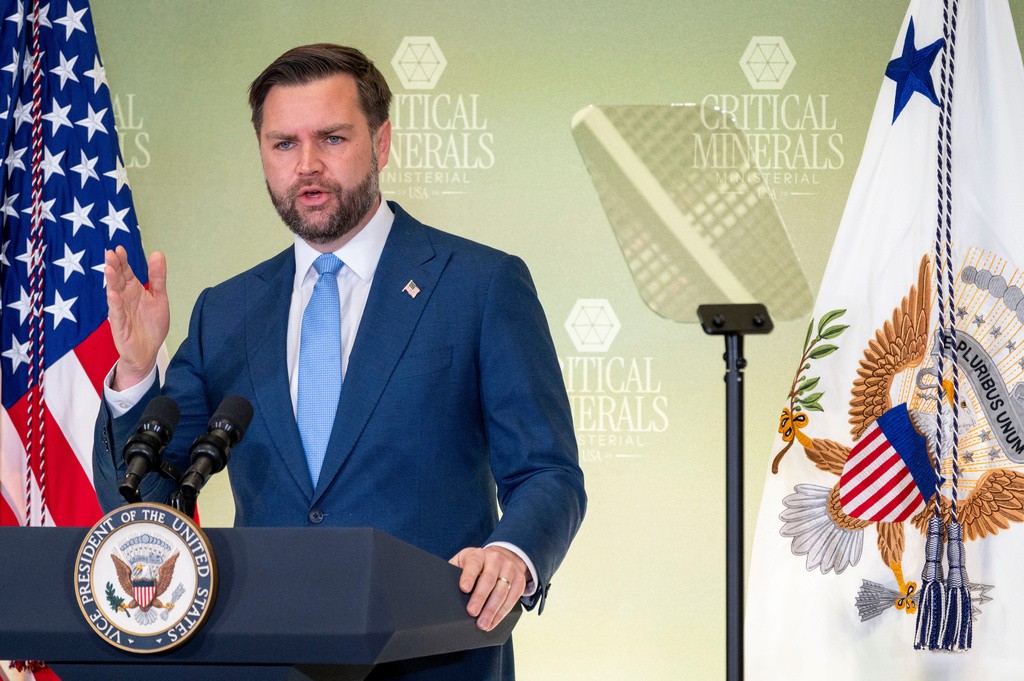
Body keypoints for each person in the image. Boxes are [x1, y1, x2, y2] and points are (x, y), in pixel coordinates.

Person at [92, 44, 586, 680]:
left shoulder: (480, 285)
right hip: (262, 658)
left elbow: (548, 472)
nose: (308, 165)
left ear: (380, 144)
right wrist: (135, 373)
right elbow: (142, 505)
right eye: (283, 144)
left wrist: (512, 553)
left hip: (433, 656)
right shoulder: (228, 311)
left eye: (331, 137)